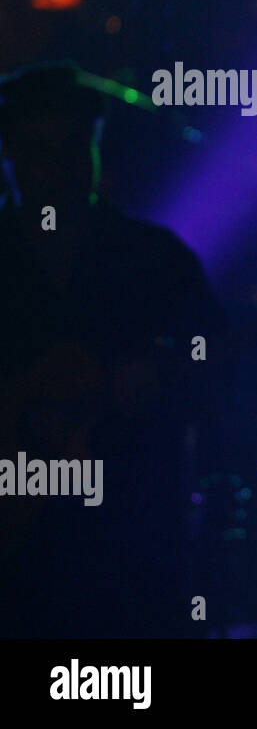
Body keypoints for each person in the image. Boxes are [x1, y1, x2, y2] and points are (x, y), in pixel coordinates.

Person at [0, 61, 228, 637]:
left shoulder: (156, 260)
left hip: (130, 558)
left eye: (70, 148)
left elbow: (220, 373)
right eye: (35, 150)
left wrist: (161, 386)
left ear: (95, 150)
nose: (53, 170)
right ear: (11, 156)